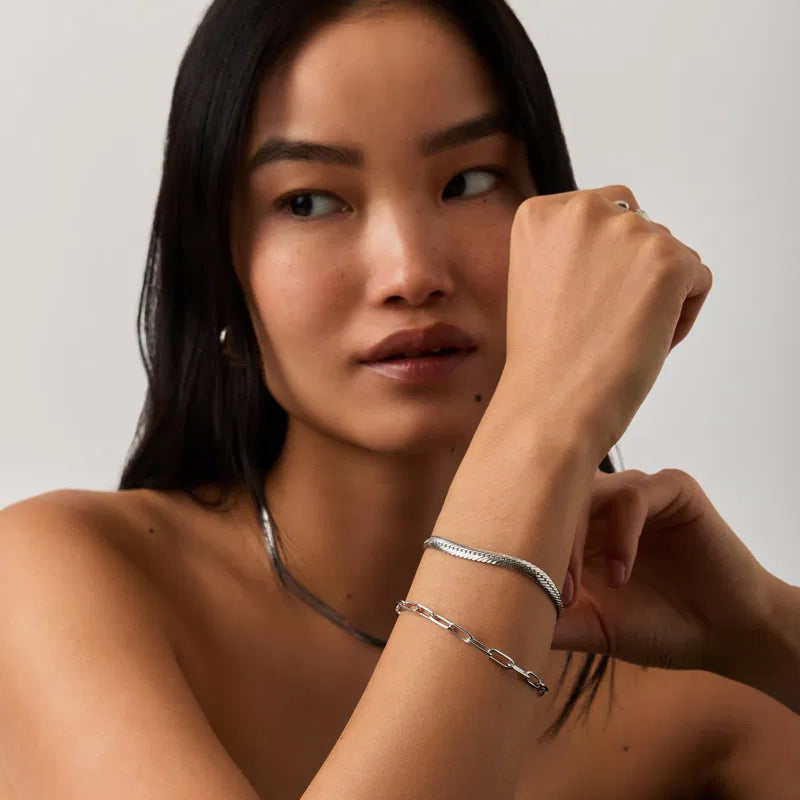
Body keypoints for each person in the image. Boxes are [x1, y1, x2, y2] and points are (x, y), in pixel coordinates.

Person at [0, 1, 798, 798]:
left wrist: (765, 629)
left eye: (468, 181)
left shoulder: (699, 683)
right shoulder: (58, 580)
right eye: (309, 201)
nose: (411, 272)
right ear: (220, 271)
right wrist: (546, 422)